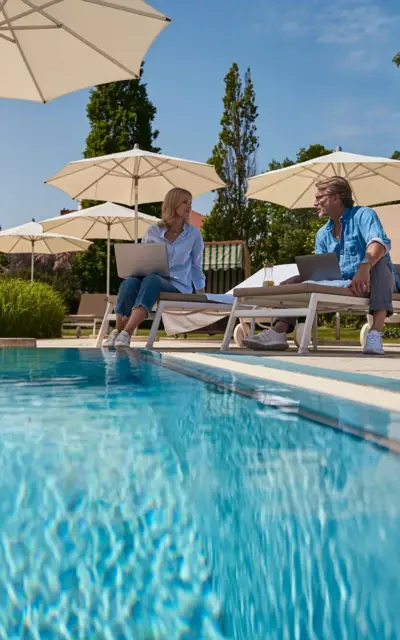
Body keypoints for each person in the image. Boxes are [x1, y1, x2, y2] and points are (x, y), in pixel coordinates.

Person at [242, 176, 400, 355]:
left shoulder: (363, 215)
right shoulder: (322, 234)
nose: (315, 203)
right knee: (293, 280)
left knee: (379, 264)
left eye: (319, 198)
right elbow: (320, 268)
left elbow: (379, 242)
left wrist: (365, 266)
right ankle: (278, 332)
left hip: (377, 278)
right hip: (342, 280)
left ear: (336, 197)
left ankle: (375, 333)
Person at [104, 187, 205, 348]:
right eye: (185, 202)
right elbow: (141, 261)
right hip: (148, 281)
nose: (189, 207)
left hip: (177, 285)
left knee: (152, 280)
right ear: (173, 204)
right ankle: (117, 331)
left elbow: (195, 266)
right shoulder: (153, 231)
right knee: (130, 282)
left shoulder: (194, 235)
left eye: (190, 203)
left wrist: (200, 291)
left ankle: (126, 333)